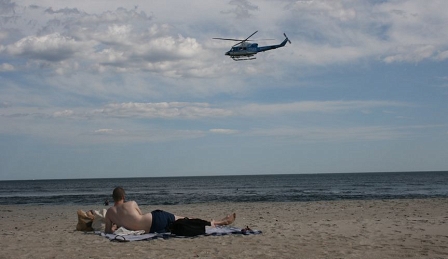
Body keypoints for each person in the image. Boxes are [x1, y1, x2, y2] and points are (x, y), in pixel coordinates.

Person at [105, 187, 236, 234]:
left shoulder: (109, 212)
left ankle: (216, 223)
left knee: (183, 223)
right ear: (123, 197)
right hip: (155, 219)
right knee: (184, 219)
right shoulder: (131, 203)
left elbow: (107, 231)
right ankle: (218, 222)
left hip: (152, 229)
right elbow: (140, 216)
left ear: (113, 198)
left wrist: (115, 228)